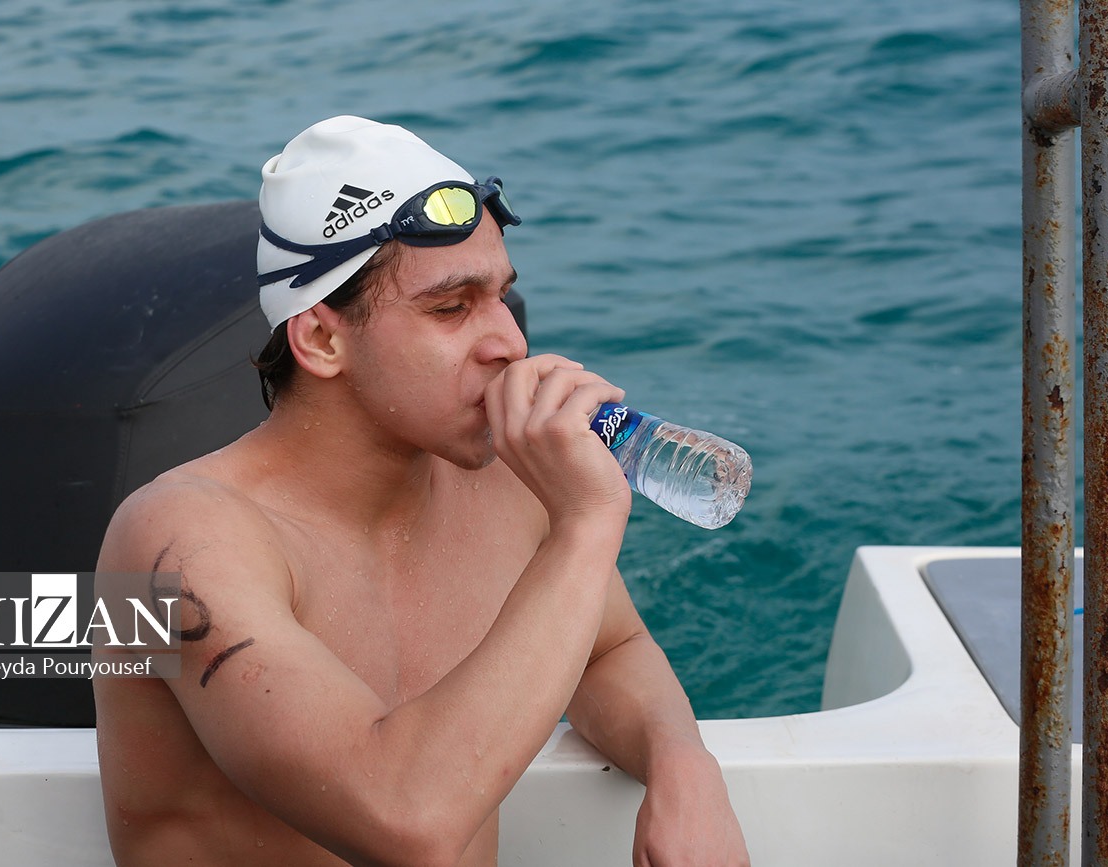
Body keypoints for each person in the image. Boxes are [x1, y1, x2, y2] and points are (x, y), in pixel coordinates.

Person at [93, 115, 749, 867]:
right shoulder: (174, 541)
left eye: (501, 296)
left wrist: (681, 761)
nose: (510, 342)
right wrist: (589, 520)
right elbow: (405, 820)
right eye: (451, 307)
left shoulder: (506, 489)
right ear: (321, 340)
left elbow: (609, 652)